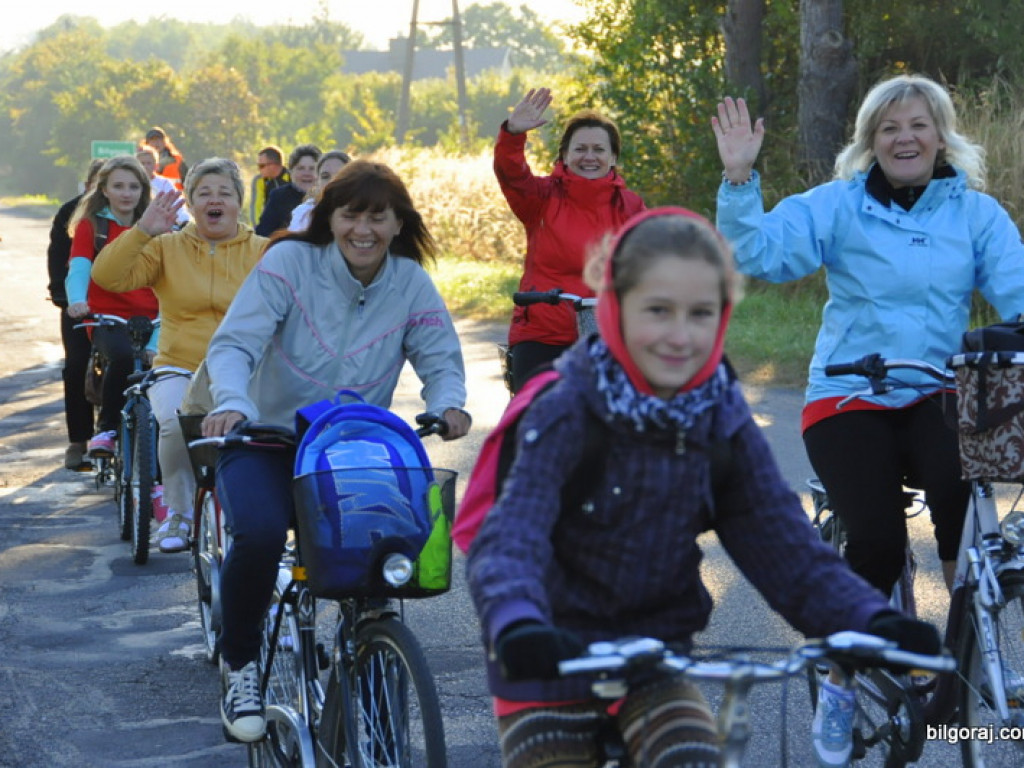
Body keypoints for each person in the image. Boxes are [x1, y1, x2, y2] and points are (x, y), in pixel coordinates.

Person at [466, 208, 943, 768]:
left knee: (694, 757)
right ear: (616, 307)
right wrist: (518, 623)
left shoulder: (718, 420)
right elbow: (512, 537)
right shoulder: (569, 410)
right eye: (658, 311)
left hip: (655, 664)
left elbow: (786, 552)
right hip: (549, 661)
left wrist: (869, 620)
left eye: (700, 314)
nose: (680, 335)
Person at [713, 73, 1024, 761]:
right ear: (870, 142)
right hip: (849, 393)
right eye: (889, 128)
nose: (904, 138)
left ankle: (968, 649)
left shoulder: (976, 214)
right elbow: (758, 252)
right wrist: (739, 181)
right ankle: (843, 677)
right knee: (877, 538)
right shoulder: (839, 205)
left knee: (964, 507)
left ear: (941, 136)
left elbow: (1018, 291)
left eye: (917, 125)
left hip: (939, 392)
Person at [200, 159, 472, 743]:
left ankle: (372, 658)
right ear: (330, 218)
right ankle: (241, 664)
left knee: (384, 559)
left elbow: (440, 357)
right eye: (351, 215)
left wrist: (448, 402)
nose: (364, 230)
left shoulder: (410, 281)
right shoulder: (289, 262)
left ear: (400, 224)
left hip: (349, 449)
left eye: (379, 217)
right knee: (259, 532)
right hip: (265, 438)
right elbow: (235, 345)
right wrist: (232, 401)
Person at [91, 158, 267, 553]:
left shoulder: (263, 251)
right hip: (179, 364)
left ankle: (253, 510)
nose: (214, 200)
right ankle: (179, 513)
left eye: (224, 192)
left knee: (257, 431)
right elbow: (108, 276)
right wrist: (141, 232)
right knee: (172, 421)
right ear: (190, 202)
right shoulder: (167, 247)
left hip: (245, 369)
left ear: (239, 202)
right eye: (204, 193)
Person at [495, 87, 645, 393]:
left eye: (599, 149)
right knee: (535, 416)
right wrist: (512, 134)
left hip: (608, 335)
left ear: (613, 157)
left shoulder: (630, 206)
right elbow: (511, 173)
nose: (589, 157)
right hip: (542, 334)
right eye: (580, 149)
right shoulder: (541, 197)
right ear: (564, 154)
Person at [65, 156, 160, 462]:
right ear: (103, 189)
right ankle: (107, 429)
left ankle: (155, 460)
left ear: (143, 190)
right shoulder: (93, 226)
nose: (126, 193)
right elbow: (79, 266)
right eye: (118, 186)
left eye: (133, 186)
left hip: (155, 317)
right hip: (107, 316)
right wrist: (77, 300)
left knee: (159, 372)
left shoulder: (156, 226)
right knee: (120, 356)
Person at [47, 158, 105, 470]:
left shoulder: (135, 215)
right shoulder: (71, 213)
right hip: (78, 303)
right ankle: (78, 440)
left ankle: (119, 434)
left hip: (121, 306)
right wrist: (61, 292)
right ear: (89, 185)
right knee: (76, 367)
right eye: (100, 183)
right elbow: (58, 255)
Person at [254, 143, 321, 236]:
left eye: (312, 168)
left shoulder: (327, 197)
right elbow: (263, 232)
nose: (307, 173)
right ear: (291, 171)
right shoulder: (279, 196)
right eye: (301, 168)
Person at [287, 149, 351, 231]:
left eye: (340, 176)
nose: (332, 182)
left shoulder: (363, 210)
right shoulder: (305, 213)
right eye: (325, 176)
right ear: (317, 181)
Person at [136, 146, 190, 227]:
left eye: (149, 163)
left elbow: (177, 205)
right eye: (142, 163)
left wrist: (184, 221)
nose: (145, 166)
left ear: (156, 166)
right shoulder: (131, 183)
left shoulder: (164, 183)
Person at [249, 145, 290, 225]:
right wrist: (257, 228)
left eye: (261, 166)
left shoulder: (293, 177)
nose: (259, 169)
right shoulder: (259, 180)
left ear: (273, 165)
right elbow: (256, 207)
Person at [143, 127, 188, 192]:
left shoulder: (177, 161)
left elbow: (188, 184)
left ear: (165, 142)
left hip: (174, 199)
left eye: (160, 139)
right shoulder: (139, 162)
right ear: (147, 143)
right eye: (153, 140)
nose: (156, 143)